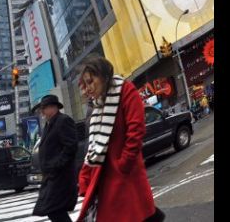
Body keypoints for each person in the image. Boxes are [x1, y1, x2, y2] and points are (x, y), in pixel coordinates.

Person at [77, 55, 164, 222]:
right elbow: (94, 145)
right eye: (84, 85)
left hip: (125, 176)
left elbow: (136, 129)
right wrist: (85, 176)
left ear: (102, 75)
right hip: (105, 179)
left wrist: (124, 163)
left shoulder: (125, 90)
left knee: (136, 214)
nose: (87, 89)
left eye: (90, 81)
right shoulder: (96, 105)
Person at [31, 95, 78, 222]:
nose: (42, 112)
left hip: (60, 177)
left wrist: (56, 165)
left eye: (43, 108)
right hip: (52, 177)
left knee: (54, 210)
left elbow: (71, 147)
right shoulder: (49, 124)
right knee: (53, 210)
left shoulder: (63, 121)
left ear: (53, 108)